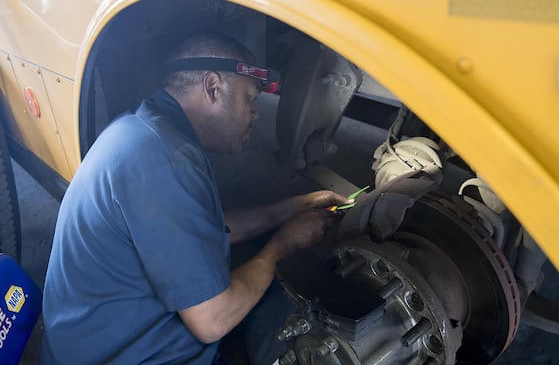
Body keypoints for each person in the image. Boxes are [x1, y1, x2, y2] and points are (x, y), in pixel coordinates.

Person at [40, 32, 350, 364]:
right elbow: (212, 321)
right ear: (213, 88)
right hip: (121, 356)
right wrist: (284, 244)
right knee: (277, 293)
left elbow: (206, 229)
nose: (256, 113)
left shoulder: (147, 131)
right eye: (251, 98)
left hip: (92, 341)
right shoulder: (164, 161)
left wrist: (296, 206)